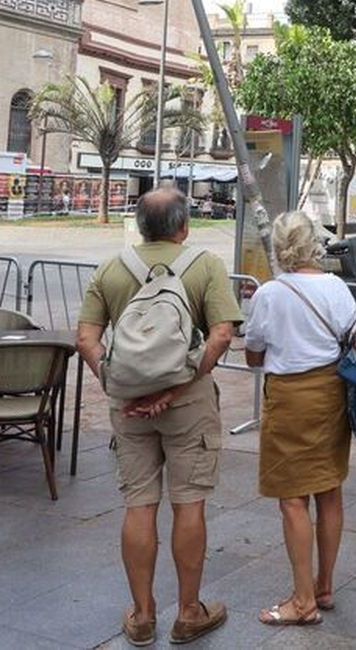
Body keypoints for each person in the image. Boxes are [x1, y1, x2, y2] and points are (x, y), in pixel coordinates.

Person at [75, 189, 239, 647]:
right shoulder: (205, 266)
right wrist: (176, 387)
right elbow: (222, 335)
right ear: (183, 226)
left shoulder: (111, 268)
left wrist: (116, 384)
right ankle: (188, 612)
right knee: (189, 503)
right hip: (190, 403)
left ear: (141, 226)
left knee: (139, 504)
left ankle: (143, 615)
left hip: (128, 407)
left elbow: (86, 338)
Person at [243, 210, 356, 628]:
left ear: (280, 248)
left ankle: (301, 601)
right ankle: (324, 586)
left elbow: (253, 354)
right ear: (314, 245)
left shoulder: (269, 294)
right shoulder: (335, 287)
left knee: (293, 498)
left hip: (288, 400)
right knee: (329, 490)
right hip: (330, 397)